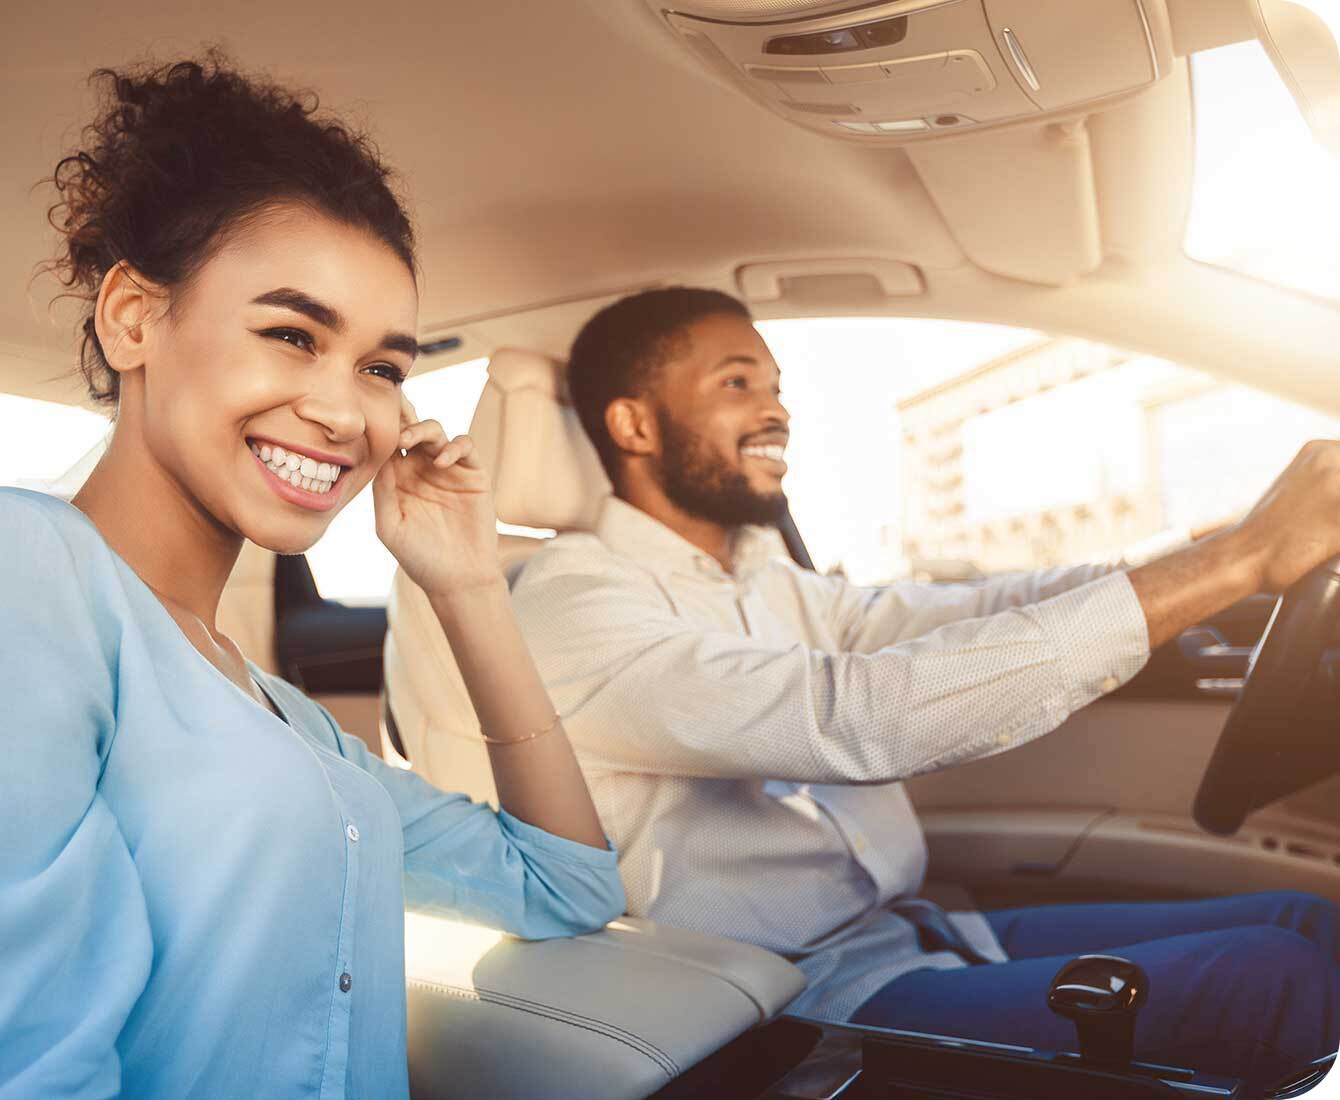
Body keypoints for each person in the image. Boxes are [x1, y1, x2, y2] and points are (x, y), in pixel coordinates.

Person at [508, 286, 1340, 1089]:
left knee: (1307, 920)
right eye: (737, 384)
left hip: (908, 930)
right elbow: (855, 717)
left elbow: (980, 606)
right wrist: (1244, 560)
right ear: (633, 424)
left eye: (776, 388)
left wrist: (1213, 551)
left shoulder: (763, 575)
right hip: (789, 1003)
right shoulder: (574, 603)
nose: (778, 412)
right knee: (1274, 976)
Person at [0, 56, 624, 1100]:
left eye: (382, 368)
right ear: (133, 319)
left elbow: (566, 883)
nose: (347, 414)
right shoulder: (32, 573)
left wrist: (465, 583)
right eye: (292, 335)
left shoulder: (287, 720)